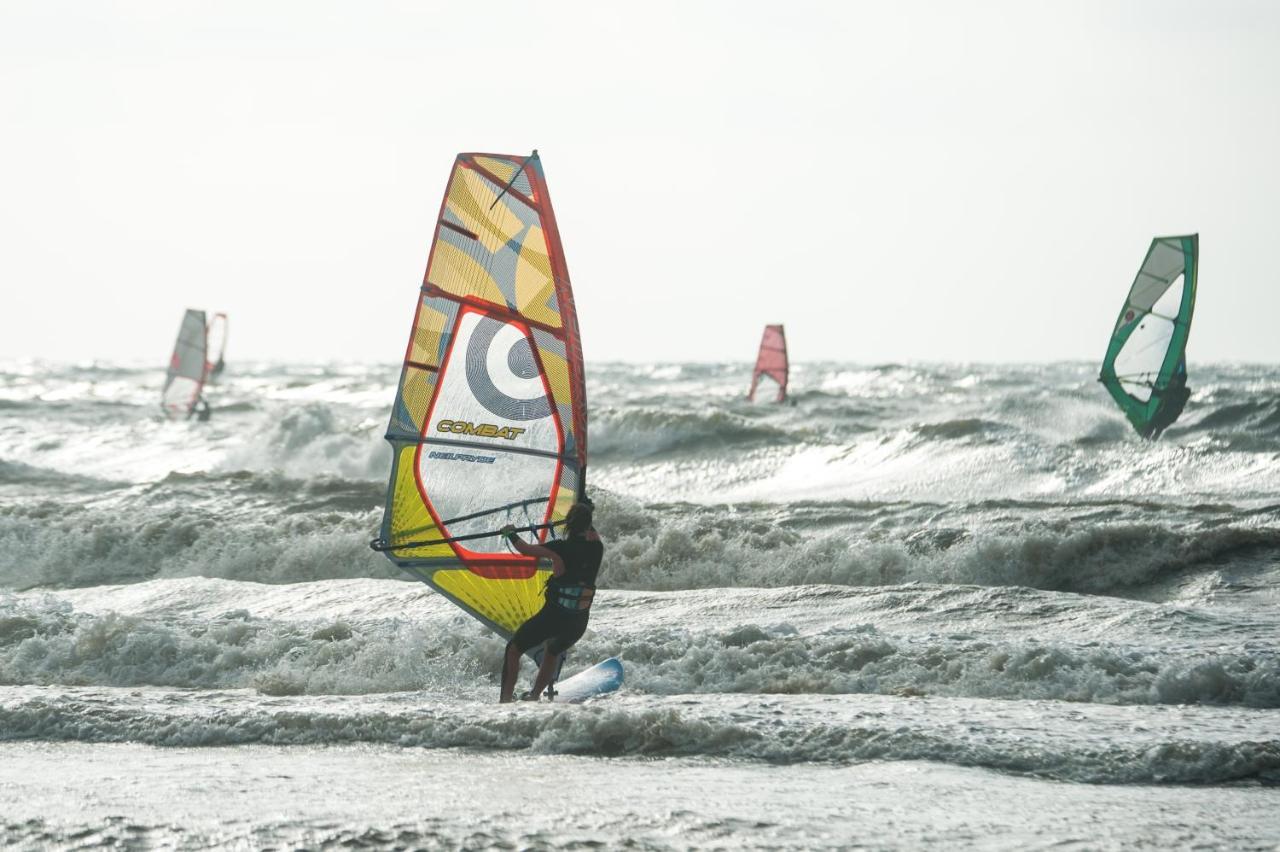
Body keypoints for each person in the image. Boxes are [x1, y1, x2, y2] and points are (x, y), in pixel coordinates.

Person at [498, 502, 603, 703]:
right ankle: (535, 695)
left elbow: (525, 549)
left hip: (555, 617)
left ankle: (504, 702)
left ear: (568, 526)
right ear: (588, 526)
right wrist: (587, 511)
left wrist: (510, 533)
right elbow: (592, 532)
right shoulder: (597, 548)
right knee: (553, 650)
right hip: (578, 624)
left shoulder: (560, 548)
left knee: (513, 649)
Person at [1142, 361, 1191, 439]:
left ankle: (1145, 441)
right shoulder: (1186, 391)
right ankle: (1151, 444)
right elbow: (1161, 393)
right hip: (1173, 416)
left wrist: (1151, 386)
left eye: (1178, 380)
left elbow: (1159, 393)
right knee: (1159, 429)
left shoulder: (1176, 390)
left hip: (1166, 414)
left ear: (1180, 381)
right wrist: (1152, 386)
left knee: (1152, 425)